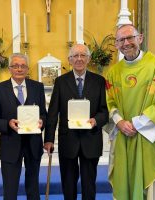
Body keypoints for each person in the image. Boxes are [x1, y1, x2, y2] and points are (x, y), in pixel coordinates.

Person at [105, 24, 155, 200]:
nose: (126, 43)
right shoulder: (113, 73)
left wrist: (137, 123)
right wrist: (119, 122)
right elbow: (110, 102)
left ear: (140, 38)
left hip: (151, 137)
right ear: (117, 44)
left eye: (130, 38)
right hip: (124, 137)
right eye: (121, 40)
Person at [44, 44, 109, 200]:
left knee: (89, 184)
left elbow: (105, 110)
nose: (79, 59)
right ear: (69, 59)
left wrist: (96, 120)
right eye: (75, 56)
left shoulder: (99, 81)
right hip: (68, 140)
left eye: (82, 55)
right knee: (68, 183)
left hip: (91, 139)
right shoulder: (60, 82)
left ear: (88, 59)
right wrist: (49, 139)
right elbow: (53, 113)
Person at [0, 53, 47, 200]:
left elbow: (44, 114)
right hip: (10, 144)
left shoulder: (38, 87)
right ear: (9, 68)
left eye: (23, 66)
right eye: (15, 66)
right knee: (10, 188)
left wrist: (41, 121)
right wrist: (7, 124)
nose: (19, 69)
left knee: (33, 187)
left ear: (27, 68)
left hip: (33, 144)